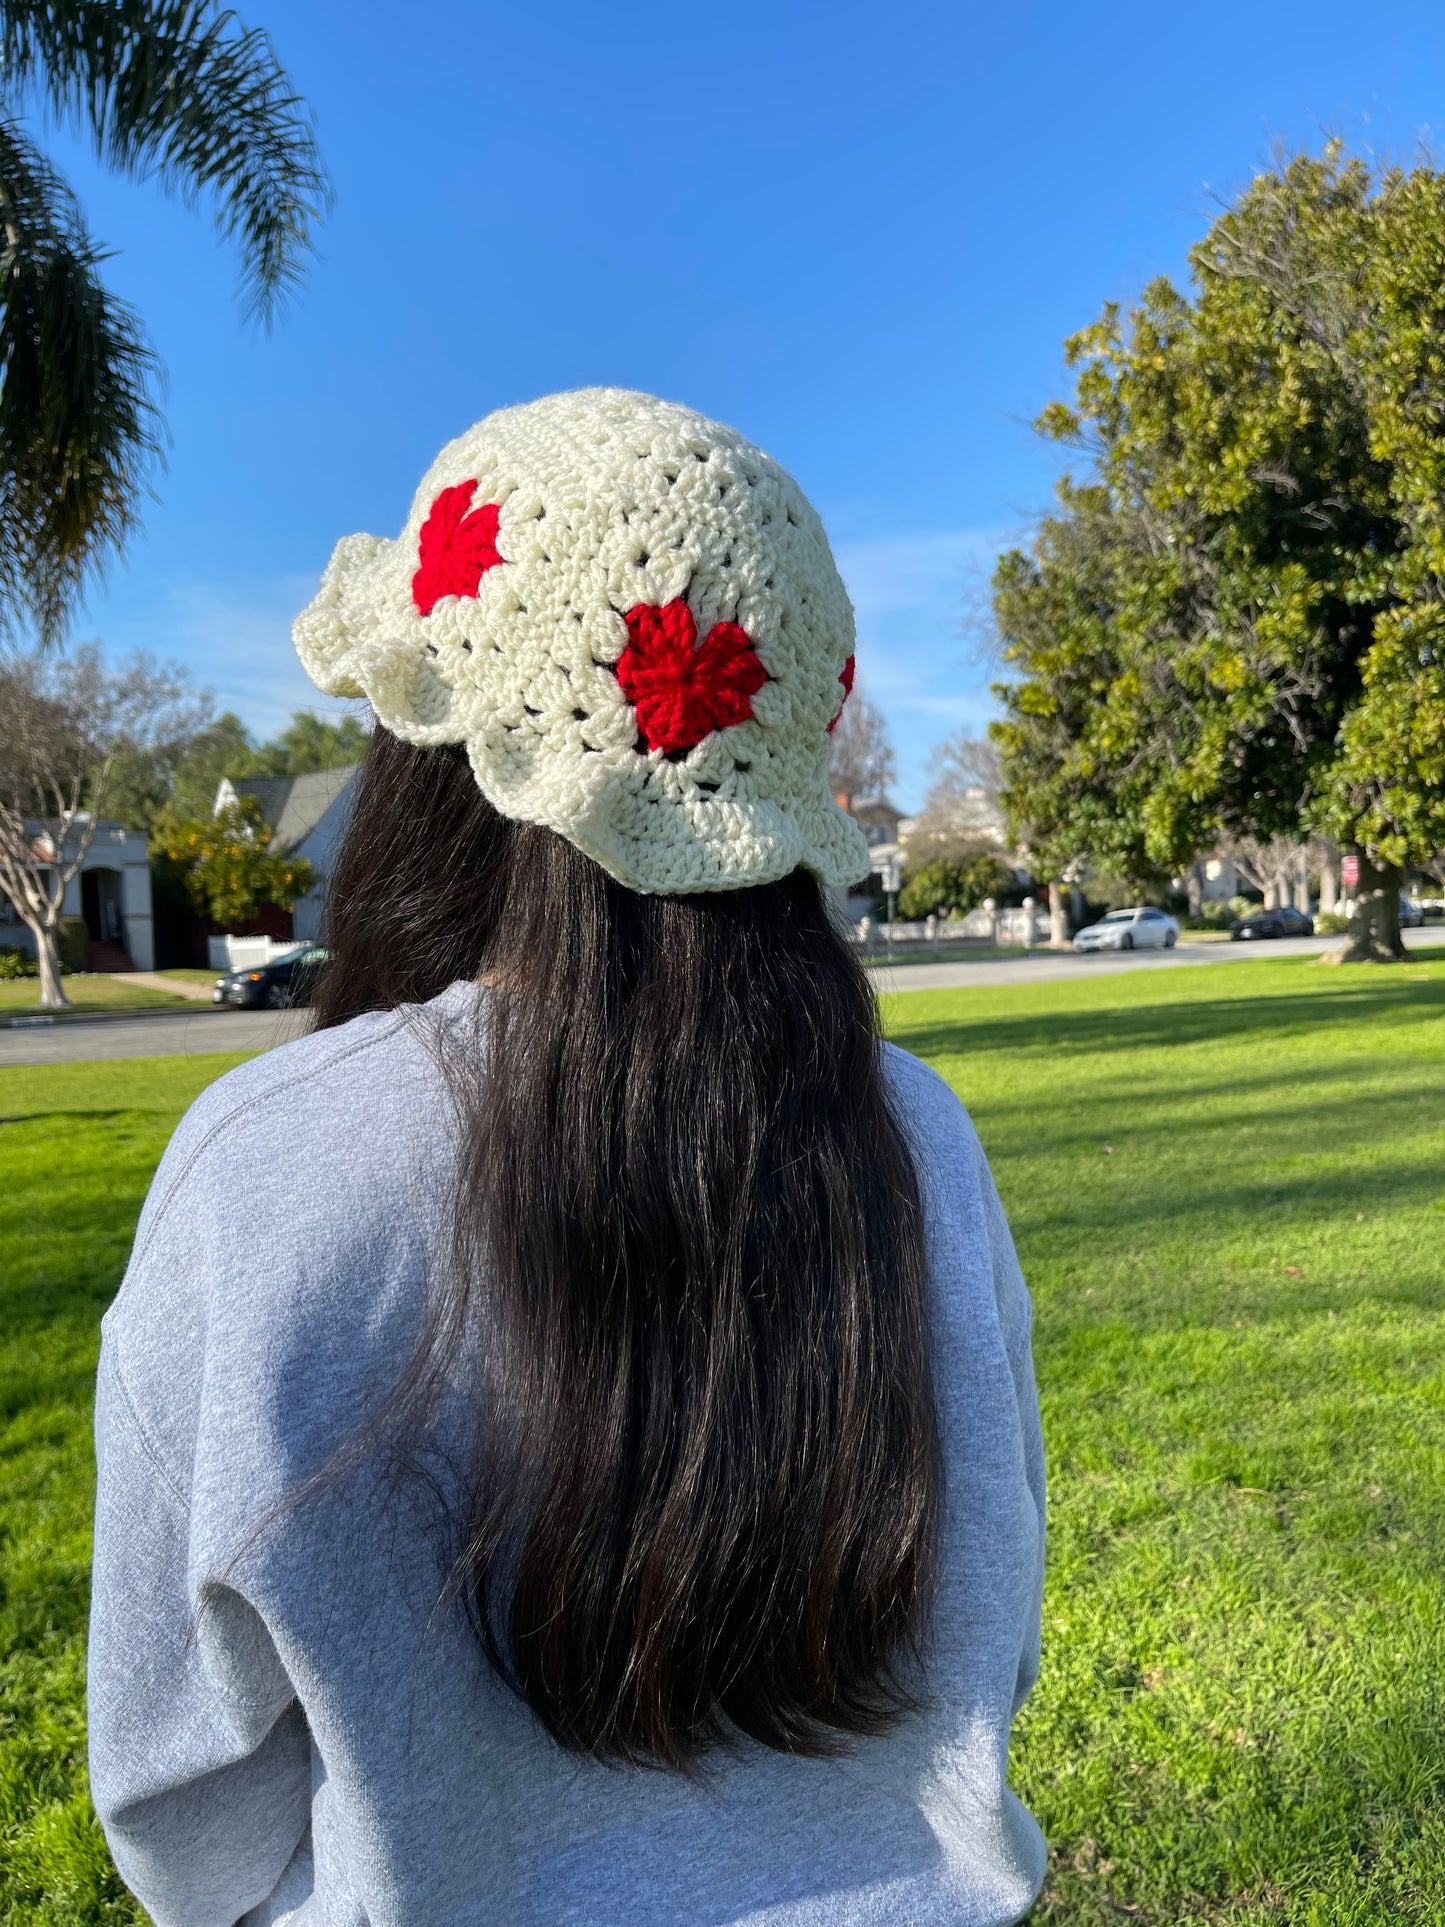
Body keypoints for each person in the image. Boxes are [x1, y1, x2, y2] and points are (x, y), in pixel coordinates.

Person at [88, 389, 1046, 1926]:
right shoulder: (913, 1133)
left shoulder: (269, 1166)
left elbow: (178, 1802)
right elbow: (989, 1636)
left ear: (436, 754)